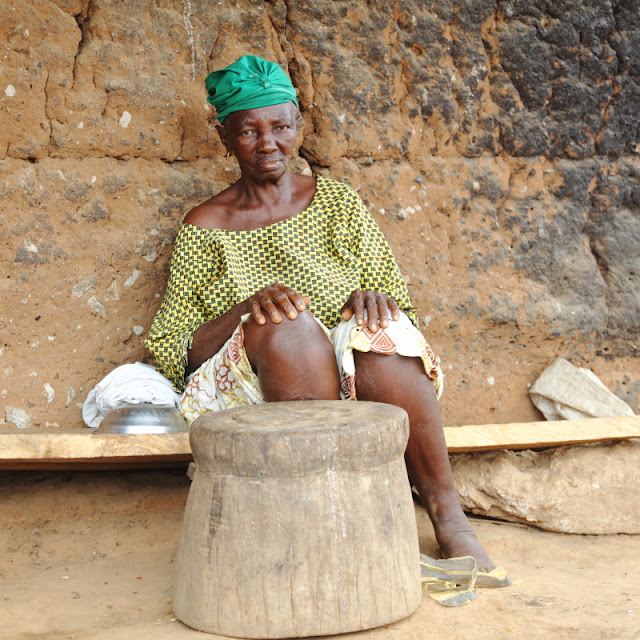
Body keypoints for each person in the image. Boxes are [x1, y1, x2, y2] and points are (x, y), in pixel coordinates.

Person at [146, 55, 495, 571]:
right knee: (287, 326)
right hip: (253, 385)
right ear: (225, 137)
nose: (268, 143)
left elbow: (402, 306)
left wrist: (374, 302)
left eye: (281, 127)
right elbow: (173, 349)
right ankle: (327, 520)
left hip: (351, 375)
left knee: (381, 333)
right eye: (249, 131)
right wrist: (247, 310)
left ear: (299, 127)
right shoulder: (206, 225)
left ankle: (450, 521)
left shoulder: (336, 203)